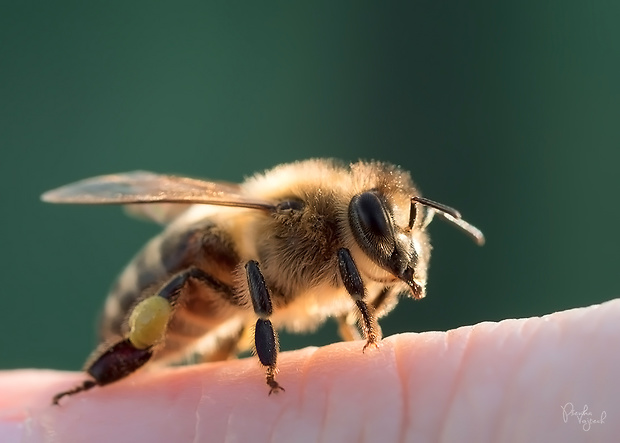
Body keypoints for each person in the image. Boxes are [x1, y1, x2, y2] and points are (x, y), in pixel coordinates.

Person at [1, 300, 617, 442]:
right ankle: (98, 379)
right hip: (186, 283)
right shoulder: (307, 225)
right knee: (208, 282)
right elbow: (257, 288)